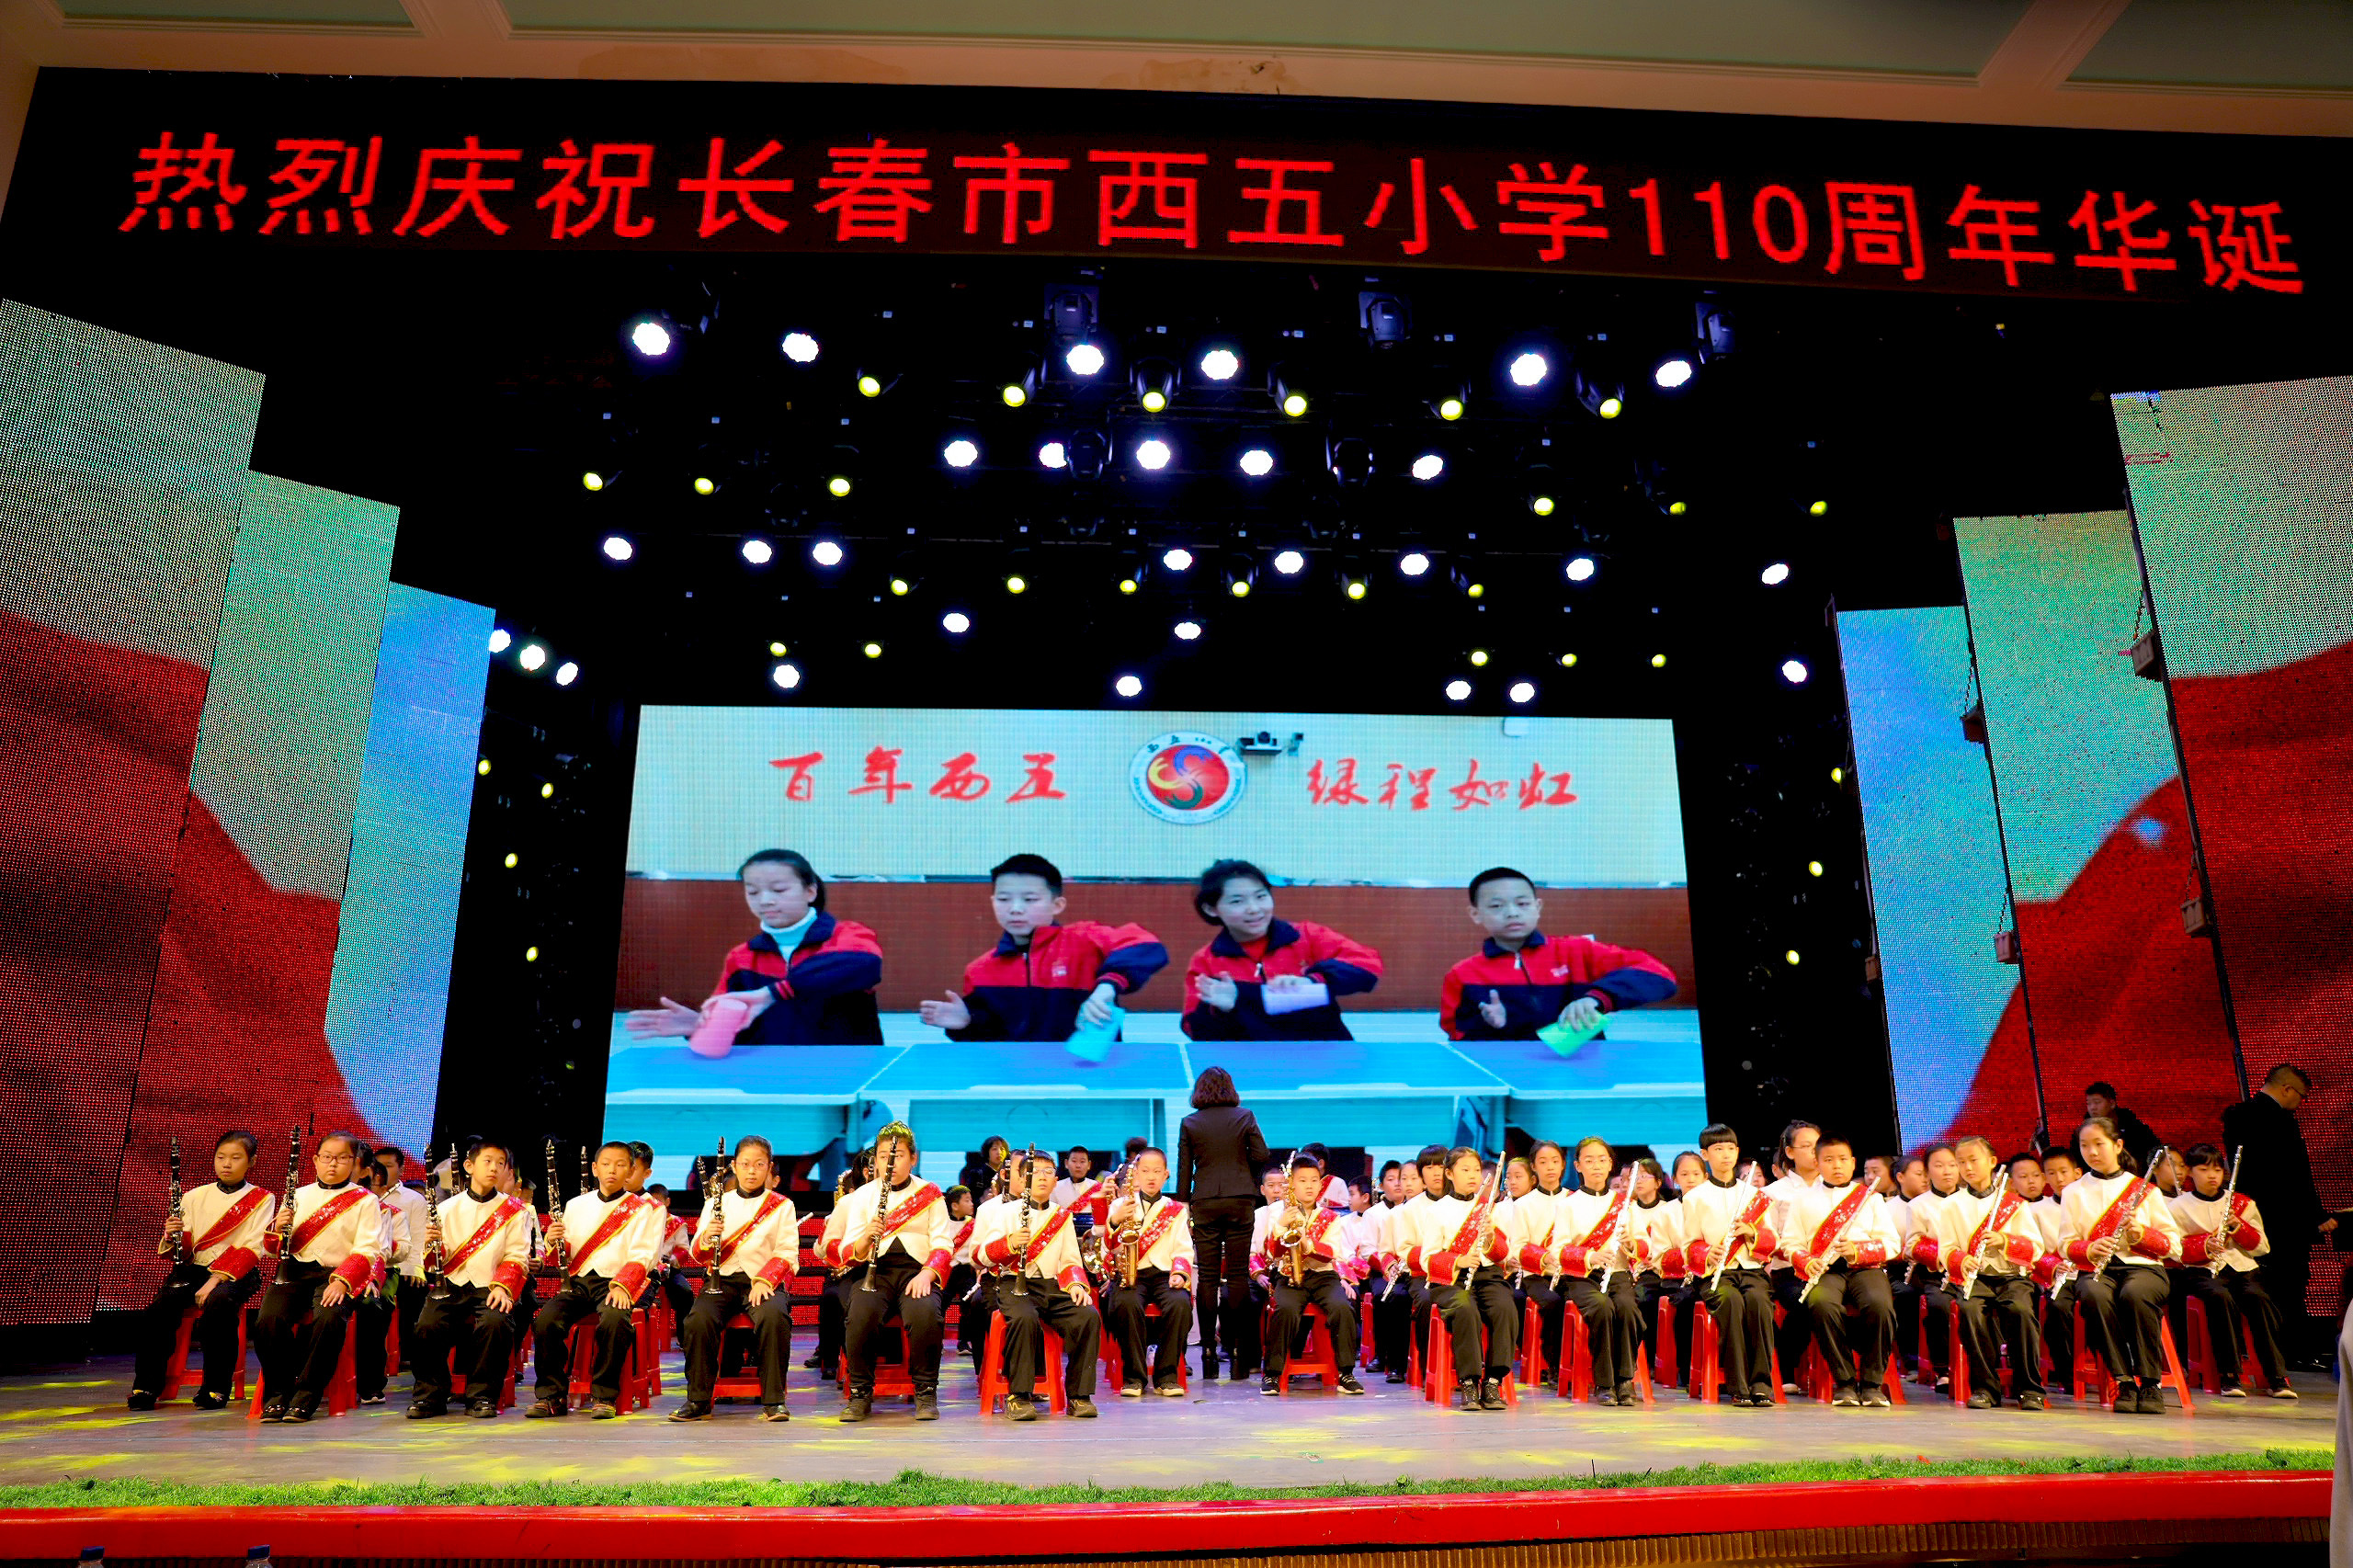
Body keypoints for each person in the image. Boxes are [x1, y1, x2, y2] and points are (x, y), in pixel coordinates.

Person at [626, 849, 885, 1047]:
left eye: (779, 890)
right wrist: (701, 1027)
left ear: (810, 892)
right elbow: (734, 1037)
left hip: (849, 1077)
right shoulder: (741, 958)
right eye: (752, 892)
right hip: (772, 1079)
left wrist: (774, 993)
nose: (765, 900)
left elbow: (865, 965)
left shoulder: (848, 935)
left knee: (889, 1117)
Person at [920, 853, 1167, 1040]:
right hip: (1015, 1077)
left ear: (1057, 905)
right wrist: (967, 1022)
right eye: (1004, 899)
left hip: (1088, 1071)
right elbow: (990, 1038)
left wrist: (1107, 987)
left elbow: (1145, 944)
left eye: (1030, 899)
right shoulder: (979, 970)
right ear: (993, 902)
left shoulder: (1086, 940)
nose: (1015, 909)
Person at [1441, 867, 1678, 1041]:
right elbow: (1457, 1034)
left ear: (1538, 907)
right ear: (1475, 914)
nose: (1512, 913)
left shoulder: (1579, 951)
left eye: (1522, 904)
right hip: (1508, 1069)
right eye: (1496, 906)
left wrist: (1597, 998)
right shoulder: (1462, 975)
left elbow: (1659, 975)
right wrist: (1489, 1025)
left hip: (1583, 1066)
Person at [129, 1130, 275, 1411]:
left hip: (236, 1273)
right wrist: (172, 1235)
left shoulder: (262, 1198)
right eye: (221, 1157)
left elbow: (251, 1247)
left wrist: (215, 1280)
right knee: (158, 1311)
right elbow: (184, 1252)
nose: (227, 1164)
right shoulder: (194, 1196)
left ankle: (215, 1388)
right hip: (194, 1270)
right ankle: (146, 1386)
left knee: (219, 1304)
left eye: (236, 1158)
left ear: (251, 1161)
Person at [253, 1131, 390, 1423]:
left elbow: (368, 1249)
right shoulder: (298, 1195)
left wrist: (342, 1280)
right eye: (327, 1157)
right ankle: (278, 1394)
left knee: (329, 1318)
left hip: (337, 1274)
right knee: (268, 1320)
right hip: (294, 1272)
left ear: (353, 1162)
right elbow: (274, 1250)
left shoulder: (365, 1201)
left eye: (342, 1158)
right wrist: (277, 1229)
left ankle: (306, 1395)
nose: (333, 1164)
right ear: (315, 1160)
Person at [529, 1141, 665, 1419]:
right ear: (594, 1168)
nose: (612, 1170)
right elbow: (566, 1255)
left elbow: (645, 1254)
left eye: (620, 1165)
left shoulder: (645, 1209)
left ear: (631, 1171)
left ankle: (604, 1396)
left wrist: (624, 1285)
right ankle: (551, 1396)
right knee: (545, 1320)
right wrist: (553, 1241)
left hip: (617, 1282)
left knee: (615, 1320)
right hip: (579, 1283)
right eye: (606, 1164)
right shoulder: (576, 1205)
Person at [829, 1122, 955, 1422]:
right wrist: (865, 1238)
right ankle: (860, 1393)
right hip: (875, 1271)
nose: (890, 1163)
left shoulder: (930, 1193)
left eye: (897, 1156)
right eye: (884, 1156)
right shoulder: (862, 1196)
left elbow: (943, 1244)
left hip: (917, 1272)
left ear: (913, 1158)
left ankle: (925, 1391)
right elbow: (847, 1250)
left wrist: (927, 1274)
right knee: (860, 1313)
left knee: (926, 1313)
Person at [1181, 859, 1383, 1040]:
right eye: (1237, 901)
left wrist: (1313, 981)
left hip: (1326, 1055)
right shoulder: (1206, 961)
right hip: (1253, 1060)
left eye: (1261, 896)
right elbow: (1195, 1031)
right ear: (1211, 909)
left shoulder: (1308, 936)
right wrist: (1219, 1011)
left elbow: (1369, 967)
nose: (1254, 909)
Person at [673, 1135, 799, 1422]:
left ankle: (774, 1401)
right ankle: (698, 1399)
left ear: (769, 1167)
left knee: (774, 1317)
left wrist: (765, 1280)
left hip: (763, 1281)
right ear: (734, 1166)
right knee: (698, 1319)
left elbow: (787, 1252)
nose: (752, 1171)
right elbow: (698, 1255)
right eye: (745, 1164)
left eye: (759, 1165)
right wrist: (707, 1237)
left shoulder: (782, 1206)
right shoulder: (716, 1202)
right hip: (723, 1280)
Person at [2062, 1116, 2182, 1414]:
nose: (2092, 1152)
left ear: (2117, 1145)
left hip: (2144, 1267)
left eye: (2099, 1144)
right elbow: (2065, 1245)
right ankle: (2123, 1380)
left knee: (2135, 1294)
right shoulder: (2073, 1192)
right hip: (2098, 1269)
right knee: (2094, 1295)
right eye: (2084, 1146)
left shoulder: (2144, 1190)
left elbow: (2173, 1246)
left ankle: (2151, 1383)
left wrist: (2140, 1234)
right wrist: (2089, 1248)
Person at [1917, 1135, 2047, 1410]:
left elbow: (2035, 1248)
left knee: (2020, 1311)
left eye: (1973, 1160)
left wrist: (2005, 1241)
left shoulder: (2014, 1203)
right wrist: (1960, 1259)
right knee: (1969, 1310)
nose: (1967, 1167)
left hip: (2011, 1276)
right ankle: (1986, 1388)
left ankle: (2030, 1389)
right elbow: (1947, 1249)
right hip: (1974, 1279)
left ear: (1991, 1162)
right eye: (1961, 1162)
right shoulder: (1951, 1205)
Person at [407, 1137, 531, 1420]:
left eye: (500, 1163)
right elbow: (433, 1262)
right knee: (426, 1325)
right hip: (451, 1284)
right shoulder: (446, 1208)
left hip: (492, 1285)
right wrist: (430, 1247)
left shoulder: (515, 1210)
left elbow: (517, 1255)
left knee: (496, 1323)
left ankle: (482, 1396)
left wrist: (504, 1287)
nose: (494, 1168)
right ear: (469, 1166)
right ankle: (429, 1396)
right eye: (488, 1161)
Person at [1779, 1132, 1903, 1406]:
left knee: (1880, 1305)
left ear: (1853, 1162)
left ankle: (1872, 1383)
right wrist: (1806, 1260)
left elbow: (1892, 1244)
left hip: (1865, 1268)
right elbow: (1790, 1243)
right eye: (1829, 1160)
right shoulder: (1803, 1200)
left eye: (1843, 1159)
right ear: (1817, 1162)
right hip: (1825, 1271)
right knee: (1821, 1305)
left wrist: (1858, 1249)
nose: (1837, 1165)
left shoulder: (1870, 1198)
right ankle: (1844, 1382)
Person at [2223, 1065, 2333, 1367]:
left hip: (2248, 1216)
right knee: (2290, 1285)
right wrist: (2317, 1214)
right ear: (2287, 1089)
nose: (2300, 1103)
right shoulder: (2281, 1121)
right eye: (2301, 1096)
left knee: (2262, 1284)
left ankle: (2265, 1352)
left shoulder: (2235, 1115)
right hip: (2286, 1219)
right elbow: (2296, 1175)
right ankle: (2293, 1352)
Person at [979, 1150, 1101, 1420]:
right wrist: (1010, 1243)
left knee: (1088, 1317)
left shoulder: (1062, 1216)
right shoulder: (1006, 1212)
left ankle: (1079, 1396)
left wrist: (1077, 1285)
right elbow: (984, 1256)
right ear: (1023, 1179)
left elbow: (1070, 1261)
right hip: (1014, 1283)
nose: (1042, 1178)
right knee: (1024, 1318)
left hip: (1051, 1286)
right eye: (1035, 1173)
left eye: (1048, 1172)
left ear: (1056, 1180)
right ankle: (1019, 1396)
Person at [2170, 1142, 2295, 1399]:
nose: (2212, 1176)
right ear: (2190, 1172)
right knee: (2220, 1297)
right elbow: (2172, 1248)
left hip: (2241, 1268)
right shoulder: (2178, 1206)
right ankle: (2229, 1374)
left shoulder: (2241, 1203)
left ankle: (2276, 1376)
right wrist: (2204, 1244)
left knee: (2258, 1298)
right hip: (2201, 1271)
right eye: (2204, 1170)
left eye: (2217, 1170)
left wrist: (2240, 1228)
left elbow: (2262, 1247)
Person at [1173, 1063, 1270, 1381]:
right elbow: (1261, 1154)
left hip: (1205, 1201)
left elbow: (1184, 1168)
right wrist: (1243, 1172)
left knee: (1209, 1278)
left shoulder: (1190, 1122)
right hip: (1241, 1198)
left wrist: (1184, 1203)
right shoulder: (1245, 1116)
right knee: (1238, 1276)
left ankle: (1208, 1353)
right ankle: (1239, 1354)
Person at [1408, 1145, 1516, 1410]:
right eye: (1465, 1170)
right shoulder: (1437, 1210)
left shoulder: (1490, 1208)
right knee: (1465, 1309)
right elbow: (1427, 1259)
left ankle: (1493, 1381)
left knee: (1505, 1308)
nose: (1472, 1175)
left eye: (1476, 1170)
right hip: (1450, 1280)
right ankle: (1469, 1381)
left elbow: (1502, 1254)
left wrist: (1490, 1237)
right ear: (1449, 1173)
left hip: (1487, 1274)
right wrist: (1458, 1261)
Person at [1678, 1122, 1778, 1407]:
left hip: (1751, 1271)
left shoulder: (1755, 1195)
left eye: (1731, 1149)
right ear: (1705, 1155)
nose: (1726, 1155)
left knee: (1759, 1303)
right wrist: (1707, 1252)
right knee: (1731, 1302)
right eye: (1718, 1149)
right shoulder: (1695, 1197)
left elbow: (1772, 1241)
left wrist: (1752, 1233)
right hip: (1716, 1275)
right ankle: (1738, 1385)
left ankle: (1761, 1384)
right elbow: (1689, 1246)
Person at [1253, 1154, 1364, 1395]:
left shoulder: (1331, 1217)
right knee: (1284, 1310)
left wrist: (1307, 1244)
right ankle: (1272, 1374)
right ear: (1291, 1185)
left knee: (1342, 1308)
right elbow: (1272, 1253)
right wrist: (1281, 1226)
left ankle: (1346, 1373)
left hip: (1323, 1276)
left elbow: (1331, 1253)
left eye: (1314, 1180)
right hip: (1288, 1274)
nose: (1310, 1186)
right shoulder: (1277, 1213)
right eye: (1303, 1181)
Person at [1542, 1136, 1641, 1404]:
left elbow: (1644, 1246)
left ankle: (1625, 1379)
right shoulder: (1568, 1204)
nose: (1596, 1165)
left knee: (1628, 1309)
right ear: (1578, 1166)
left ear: (1610, 1164)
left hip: (1618, 1273)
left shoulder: (1625, 1203)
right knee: (1602, 1307)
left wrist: (1631, 1244)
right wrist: (1590, 1256)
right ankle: (1604, 1382)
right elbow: (1557, 1250)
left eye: (1601, 1160)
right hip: (1581, 1277)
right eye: (1589, 1160)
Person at [1103, 1147, 1196, 1398]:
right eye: (1145, 1171)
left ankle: (1167, 1377)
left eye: (1157, 1171)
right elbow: (1108, 1250)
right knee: (1126, 1303)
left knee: (1180, 1304)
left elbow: (1183, 1249)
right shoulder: (1120, 1205)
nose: (1151, 1177)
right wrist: (1115, 1221)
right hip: (1131, 1272)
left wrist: (1179, 1273)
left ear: (1166, 1175)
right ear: (1136, 1174)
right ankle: (1134, 1377)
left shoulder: (1175, 1209)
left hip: (1165, 1274)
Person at [1763, 1120, 1821, 1392]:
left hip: (1831, 1271)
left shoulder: (1836, 1190)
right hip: (1789, 1272)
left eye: (1817, 1146)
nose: (1814, 1152)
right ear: (1789, 1152)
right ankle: (1786, 1366)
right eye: (1806, 1146)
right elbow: (1767, 1239)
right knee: (1806, 1302)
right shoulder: (1773, 1193)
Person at [1904, 1144, 1961, 1387]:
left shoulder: (1971, 1200)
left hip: (1971, 1271)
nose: (1947, 1171)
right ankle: (1944, 1369)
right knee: (1938, 1304)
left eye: (1952, 1165)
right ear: (1927, 1172)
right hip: (1936, 1273)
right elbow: (1912, 1245)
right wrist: (1947, 1255)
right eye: (1939, 1166)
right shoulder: (1918, 1205)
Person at [1623, 1156, 1687, 1379]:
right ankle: (1641, 1360)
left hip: (1668, 1272)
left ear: (1658, 1182)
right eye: (1634, 1177)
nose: (1638, 1181)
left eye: (1644, 1176)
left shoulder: (1669, 1209)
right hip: (1640, 1272)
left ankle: (1666, 1361)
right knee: (1641, 1300)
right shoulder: (1626, 1210)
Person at [369, 1145, 429, 1375]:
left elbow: (419, 1236)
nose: (382, 1170)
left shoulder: (414, 1199)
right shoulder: (364, 1194)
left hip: (399, 1264)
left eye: (389, 1165)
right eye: (378, 1165)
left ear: (401, 1169)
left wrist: (415, 1267)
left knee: (413, 1289)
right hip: (368, 1264)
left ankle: (407, 1352)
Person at [351, 1144, 403, 1405]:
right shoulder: (312, 1198)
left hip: (378, 1274)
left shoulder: (384, 1211)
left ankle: (370, 1382)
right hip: (328, 1275)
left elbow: (383, 1252)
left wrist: (371, 1278)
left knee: (372, 1306)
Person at [2083, 1082, 2162, 1171]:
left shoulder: (2135, 1129)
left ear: (2112, 1104)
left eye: (2097, 1102)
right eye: (2089, 1103)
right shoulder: (2084, 1131)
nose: (2092, 1107)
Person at [959, 1136, 1009, 1201]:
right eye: (994, 1149)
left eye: (1002, 1149)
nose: (999, 1152)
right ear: (987, 1152)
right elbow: (968, 1200)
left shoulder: (1009, 1173)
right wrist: (982, 1199)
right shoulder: (977, 1174)